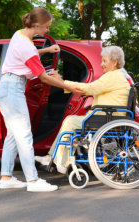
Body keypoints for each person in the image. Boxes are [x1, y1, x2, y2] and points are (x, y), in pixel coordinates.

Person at [0, 8, 84, 192]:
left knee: (13, 136)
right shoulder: (27, 46)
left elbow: (29, 54)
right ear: (36, 25)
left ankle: (6, 178)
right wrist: (67, 86)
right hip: (12, 89)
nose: (48, 30)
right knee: (25, 136)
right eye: (47, 27)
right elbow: (43, 77)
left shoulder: (19, 35)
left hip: (7, 87)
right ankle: (33, 181)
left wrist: (47, 50)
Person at [35, 46, 131, 174]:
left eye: (104, 61)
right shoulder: (116, 76)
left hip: (106, 118)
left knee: (70, 122)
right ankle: (54, 158)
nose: (101, 65)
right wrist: (90, 93)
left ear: (114, 62)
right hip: (108, 116)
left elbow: (90, 87)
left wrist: (62, 82)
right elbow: (100, 91)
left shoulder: (112, 76)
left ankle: (59, 161)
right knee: (72, 121)